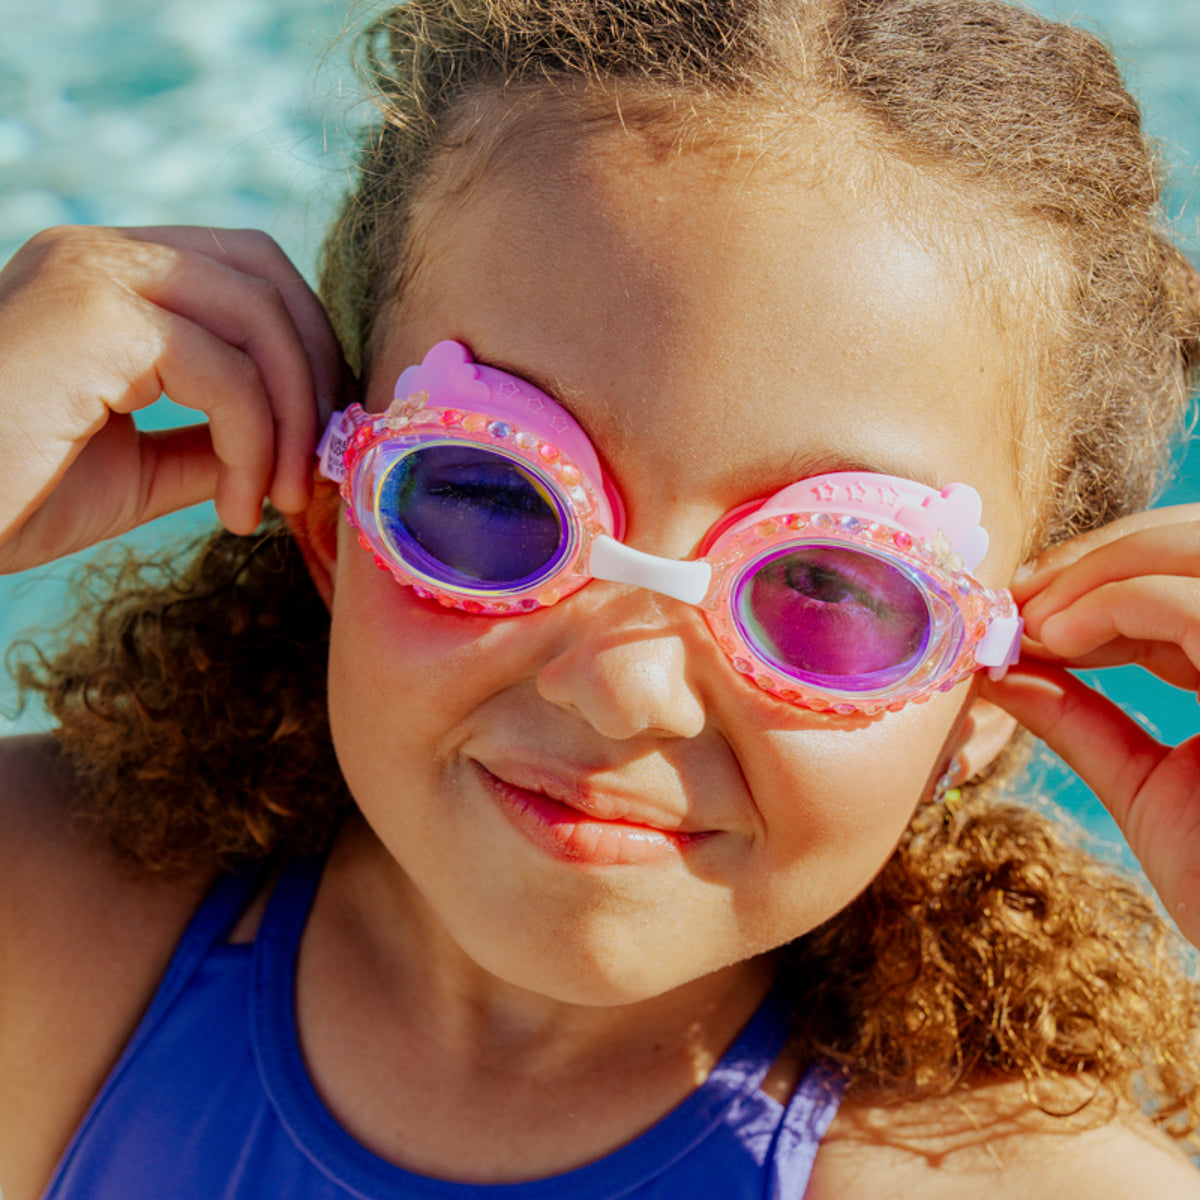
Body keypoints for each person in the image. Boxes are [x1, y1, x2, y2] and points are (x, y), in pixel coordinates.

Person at [2, 0, 1200, 1195]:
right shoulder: (46, 921)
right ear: (333, 521)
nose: (625, 690)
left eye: (826, 583)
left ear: (990, 687)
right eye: (496, 495)